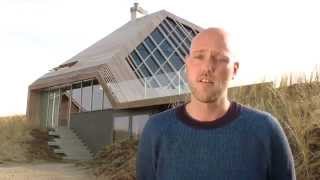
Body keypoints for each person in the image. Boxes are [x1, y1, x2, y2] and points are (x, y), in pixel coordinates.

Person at [136, 28, 296, 180]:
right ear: (187, 64)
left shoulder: (265, 130)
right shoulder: (157, 130)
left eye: (219, 58)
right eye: (199, 57)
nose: (207, 67)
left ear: (234, 70)